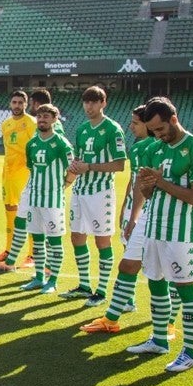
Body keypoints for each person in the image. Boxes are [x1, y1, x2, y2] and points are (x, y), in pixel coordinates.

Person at [123, 96, 193, 374]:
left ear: (173, 119)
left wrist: (159, 181)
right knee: (155, 283)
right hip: (154, 228)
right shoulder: (156, 149)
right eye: (153, 131)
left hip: (180, 232)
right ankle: (160, 339)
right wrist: (148, 184)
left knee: (187, 290)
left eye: (161, 129)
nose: (158, 135)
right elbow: (149, 193)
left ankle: (190, 352)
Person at [81, 105, 180, 338]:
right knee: (129, 264)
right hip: (141, 213)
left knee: (168, 271)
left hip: (163, 216)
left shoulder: (158, 147)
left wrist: (134, 213)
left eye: (135, 122)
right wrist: (129, 211)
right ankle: (113, 317)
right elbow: (136, 182)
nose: (131, 127)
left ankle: (169, 321)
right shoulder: (140, 147)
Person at [0, 104, 73, 294]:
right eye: (40, 116)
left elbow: (73, 168)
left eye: (47, 117)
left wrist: (63, 185)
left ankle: (53, 281)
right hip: (34, 199)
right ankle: (40, 277)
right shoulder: (32, 144)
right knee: (38, 239)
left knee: (55, 241)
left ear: (54, 120)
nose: (42, 120)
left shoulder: (61, 143)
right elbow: (33, 169)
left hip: (53, 202)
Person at [60, 86, 127, 307]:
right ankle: (84, 285)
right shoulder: (81, 129)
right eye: (86, 102)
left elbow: (119, 165)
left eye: (94, 102)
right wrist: (71, 174)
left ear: (103, 103)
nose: (89, 106)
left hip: (101, 193)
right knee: (77, 237)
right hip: (80, 191)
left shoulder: (113, 129)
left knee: (102, 240)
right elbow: (79, 159)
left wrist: (89, 166)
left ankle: (101, 290)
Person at [0, 90, 31, 263]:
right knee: (10, 210)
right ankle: (8, 251)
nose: (17, 106)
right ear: (10, 104)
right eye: (14, 102)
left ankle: (32, 255)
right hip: (8, 173)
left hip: (25, 173)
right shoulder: (5, 124)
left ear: (26, 104)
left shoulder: (31, 123)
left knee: (28, 213)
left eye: (20, 103)